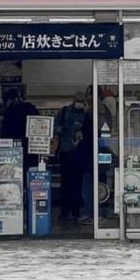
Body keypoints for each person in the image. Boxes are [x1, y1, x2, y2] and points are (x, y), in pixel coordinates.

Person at [53, 91, 88, 223]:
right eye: (78, 100)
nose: (80, 103)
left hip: (77, 153)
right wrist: (63, 130)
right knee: (67, 183)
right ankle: (66, 211)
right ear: (74, 100)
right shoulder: (64, 112)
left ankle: (74, 211)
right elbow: (56, 128)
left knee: (76, 184)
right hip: (66, 151)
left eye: (82, 101)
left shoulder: (85, 114)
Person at [0, 86, 39, 177]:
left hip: (14, 150)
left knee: (17, 174)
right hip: (32, 148)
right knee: (32, 175)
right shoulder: (30, 108)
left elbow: (5, 133)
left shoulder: (9, 112)